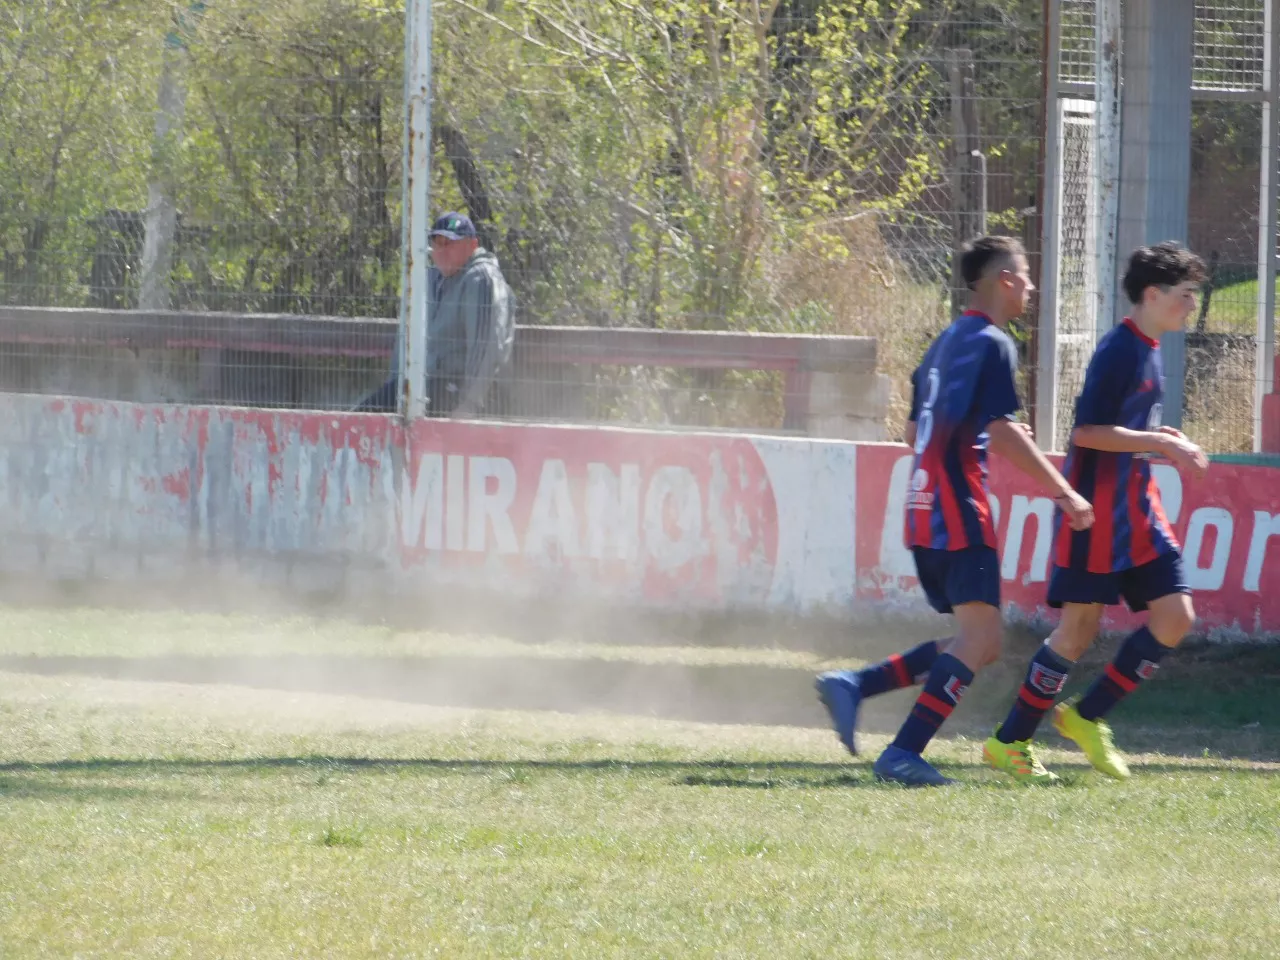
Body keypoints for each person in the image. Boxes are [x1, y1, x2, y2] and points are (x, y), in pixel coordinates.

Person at [815, 235, 1094, 787]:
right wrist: (1063, 491)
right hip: (958, 506)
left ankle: (857, 685)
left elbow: (914, 428)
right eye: (1026, 277)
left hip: (921, 506)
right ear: (1005, 281)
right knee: (982, 640)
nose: (1033, 288)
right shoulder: (994, 342)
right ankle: (901, 754)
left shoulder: (944, 342)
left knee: (976, 640)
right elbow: (996, 429)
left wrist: (987, 435)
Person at [983, 241, 1209, 783]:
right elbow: (1086, 433)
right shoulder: (1121, 350)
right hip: (1096, 517)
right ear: (1152, 295)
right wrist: (1158, 440)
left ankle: (1085, 717)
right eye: (1185, 296)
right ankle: (1008, 742)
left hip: (1139, 512)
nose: (1191, 306)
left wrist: (1161, 440)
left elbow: (1122, 430)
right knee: (1078, 630)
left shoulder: (1150, 347)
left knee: (1176, 618)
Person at [357, 212, 513, 417]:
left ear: (472, 245)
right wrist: (394, 387)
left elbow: (486, 346)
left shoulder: (481, 279)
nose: (442, 250)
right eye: (438, 243)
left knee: (364, 419)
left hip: (459, 390)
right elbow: (405, 340)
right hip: (425, 386)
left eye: (450, 243)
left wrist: (470, 404)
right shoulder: (430, 279)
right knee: (362, 417)